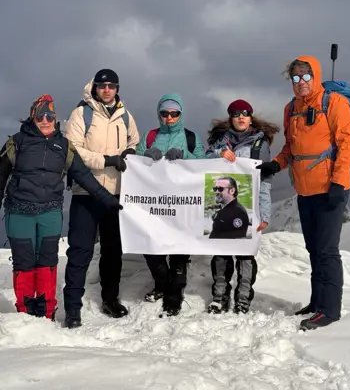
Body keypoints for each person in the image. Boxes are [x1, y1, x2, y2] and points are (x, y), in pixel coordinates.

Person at [256, 55, 350, 330]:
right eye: (296, 78)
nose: (301, 82)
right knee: (314, 250)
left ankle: (330, 309)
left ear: (315, 76)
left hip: (330, 189)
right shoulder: (292, 109)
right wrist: (276, 164)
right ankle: (317, 302)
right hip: (304, 190)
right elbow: (291, 146)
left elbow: (348, 144)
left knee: (327, 250)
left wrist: (339, 181)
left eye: (306, 76)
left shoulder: (333, 103)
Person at [0, 94, 122, 321]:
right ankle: (25, 314)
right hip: (19, 212)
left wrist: (108, 200)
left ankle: (46, 312)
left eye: (50, 116)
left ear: (55, 118)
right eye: (41, 116)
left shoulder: (63, 146)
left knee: (47, 261)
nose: (45, 120)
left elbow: (83, 176)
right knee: (24, 262)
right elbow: (0, 177)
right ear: (32, 116)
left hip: (50, 213)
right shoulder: (16, 143)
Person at [63, 69, 140, 328]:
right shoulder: (81, 114)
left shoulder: (125, 115)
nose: (107, 90)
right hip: (86, 192)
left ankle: (110, 299)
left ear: (117, 88)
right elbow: (73, 150)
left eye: (112, 86)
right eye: (102, 85)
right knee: (80, 251)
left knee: (112, 251)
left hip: (115, 194)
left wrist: (130, 151)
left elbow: (135, 141)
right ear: (95, 87)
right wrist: (106, 160)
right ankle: (73, 308)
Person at [205, 99, 279, 314]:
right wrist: (219, 154)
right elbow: (203, 159)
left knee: (245, 254)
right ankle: (219, 296)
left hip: (248, 207)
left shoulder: (259, 143)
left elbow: (263, 181)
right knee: (221, 252)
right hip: (219, 207)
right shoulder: (221, 140)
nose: (240, 117)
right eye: (236, 114)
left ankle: (243, 298)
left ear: (250, 117)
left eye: (244, 114)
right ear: (231, 118)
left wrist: (264, 213)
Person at [136, 92, 205, 316]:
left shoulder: (191, 137)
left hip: (182, 202)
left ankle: (175, 291)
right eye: (164, 113)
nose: (169, 117)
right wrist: (145, 156)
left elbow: (204, 165)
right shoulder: (149, 136)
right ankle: (161, 284)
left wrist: (185, 154)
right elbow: (135, 160)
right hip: (153, 203)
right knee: (151, 246)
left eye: (174, 113)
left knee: (178, 247)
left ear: (181, 114)